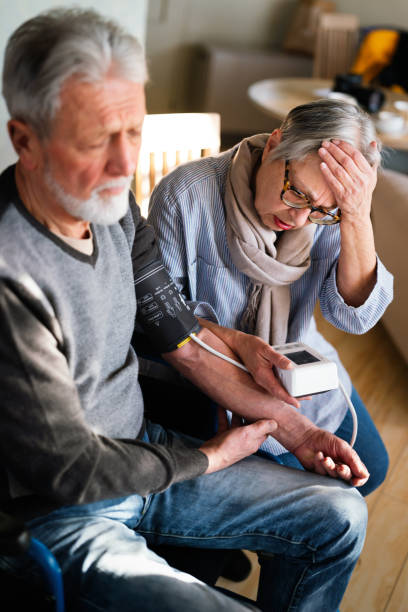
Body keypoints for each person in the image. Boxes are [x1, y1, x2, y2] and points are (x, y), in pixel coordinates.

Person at [0, 8, 370, 611]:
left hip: (148, 453)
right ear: (25, 141)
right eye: (97, 140)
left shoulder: (113, 208)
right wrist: (207, 458)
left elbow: (182, 339)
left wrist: (296, 431)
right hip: (64, 511)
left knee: (342, 514)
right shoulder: (11, 272)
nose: (125, 166)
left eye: (133, 132)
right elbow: (72, 472)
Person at [148, 98, 393, 498]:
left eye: (321, 210)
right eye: (296, 192)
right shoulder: (186, 195)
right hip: (208, 374)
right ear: (276, 144)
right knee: (306, 497)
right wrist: (238, 344)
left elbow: (354, 319)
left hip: (296, 367)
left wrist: (356, 216)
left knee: (373, 470)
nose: (298, 219)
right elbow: (160, 316)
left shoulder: (329, 214)